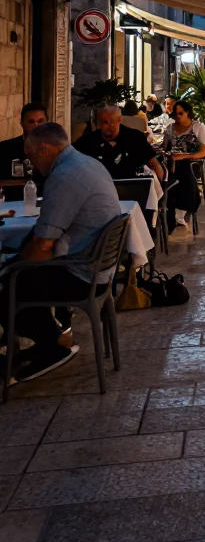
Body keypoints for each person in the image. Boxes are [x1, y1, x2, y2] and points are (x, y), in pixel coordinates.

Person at [0, 122, 123, 383]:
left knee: (8, 283)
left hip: (82, 275)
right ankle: (52, 339)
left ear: (44, 149)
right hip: (98, 270)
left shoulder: (66, 175)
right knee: (16, 270)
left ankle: (51, 347)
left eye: (31, 155)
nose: (30, 162)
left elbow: (44, 245)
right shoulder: (86, 163)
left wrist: (12, 266)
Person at [75, 104, 165, 184]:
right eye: (103, 122)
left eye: (111, 122)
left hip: (130, 190)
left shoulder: (135, 138)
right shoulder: (89, 140)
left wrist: (159, 191)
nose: (106, 127)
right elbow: (71, 157)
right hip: (98, 191)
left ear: (119, 120)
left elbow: (154, 164)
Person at [162, 99, 205, 229]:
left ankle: (181, 210)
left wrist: (183, 156)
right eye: (175, 114)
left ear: (188, 113)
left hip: (192, 164)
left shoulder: (198, 127)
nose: (177, 116)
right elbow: (165, 147)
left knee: (182, 171)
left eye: (180, 113)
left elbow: (204, 151)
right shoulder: (170, 128)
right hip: (172, 163)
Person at [0, 102, 48, 198]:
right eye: (31, 121)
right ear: (22, 123)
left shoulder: (56, 150)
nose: (36, 125)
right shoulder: (4, 149)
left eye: (40, 121)